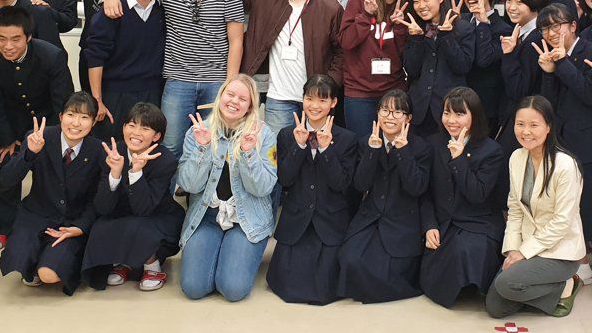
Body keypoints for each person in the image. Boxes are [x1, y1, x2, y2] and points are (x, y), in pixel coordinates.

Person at [102, 0, 245, 159]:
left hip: (215, 81)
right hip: (178, 80)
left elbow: (236, 41)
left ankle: (201, 196)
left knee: (212, 146)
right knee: (170, 146)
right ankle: (165, 195)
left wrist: (230, 83)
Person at [0, 6, 74, 252]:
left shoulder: (52, 56)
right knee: (7, 161)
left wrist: (52, 139)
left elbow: (62, 103)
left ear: (28, 37)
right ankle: (4, 225)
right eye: (1, 39)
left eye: (15, 39)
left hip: (46, 119)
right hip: (9, 118)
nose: (8, 46)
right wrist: (7, 139)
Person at [213, 0, 344, 132]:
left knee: (313, 153)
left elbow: (341, 52)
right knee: (276, 154)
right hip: (278, 98)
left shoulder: (329, 8)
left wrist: (328, 86)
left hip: (315, 99)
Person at [534, 3, 592, 282]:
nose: (551, 32)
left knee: (589, 208)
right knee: (570, 206)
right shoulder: (552, 55)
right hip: (564, 144)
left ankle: (586, 260)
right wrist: (548, 71)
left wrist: (561, 64)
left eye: (556, 25)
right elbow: (549, 105)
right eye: (545, 27)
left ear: (573, 26)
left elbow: (590, 96)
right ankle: (581, 259)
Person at [177, 75, 277, 302]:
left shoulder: (263, 134)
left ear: (250, 105)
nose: (234, 102)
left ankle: (231, 253)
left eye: (243, 98)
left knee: (233, 290)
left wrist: (249, 152)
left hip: (247, 220)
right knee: (193, 288)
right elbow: (189, 185)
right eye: (230, 94)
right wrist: (202, 148)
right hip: (207, 217)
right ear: (220, 96)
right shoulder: (198, 131)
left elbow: (263, 189)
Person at [484, 96, 584, 319]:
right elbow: (515, 209)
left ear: (548, 127)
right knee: (495, 307)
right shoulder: (516, 157)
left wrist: (524, 252)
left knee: (508, 285)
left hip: (560, 251)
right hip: (527, 246)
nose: (526, 132)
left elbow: (562, 222)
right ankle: (550, 291)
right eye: (520, 124)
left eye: (534, 125)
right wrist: (512, 249)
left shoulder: (565, 165)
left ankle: (567, 283)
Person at [0, 93, 103, 294]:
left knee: (48, 274)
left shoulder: (98, 150)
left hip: (70, 223)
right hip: (36, 216)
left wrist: (80, 228)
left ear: (93, 122)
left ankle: (61, 259)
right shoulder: (40, 137)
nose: (76, 123)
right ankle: (38, 255)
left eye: (85, 117)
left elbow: (96, 199)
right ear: (61, 115)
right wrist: (30, 153)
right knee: (20, 260)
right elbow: (6, 181)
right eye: (71, 114)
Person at [267, 76, 359, 305]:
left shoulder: (347, 139)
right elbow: (285, 180)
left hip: (330, 219)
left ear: (334, 103)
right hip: (297, 218)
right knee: (286, 284)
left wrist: (327, 149)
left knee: (325, 287)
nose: (314, 106)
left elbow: (342, 184)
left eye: (322, 99)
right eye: (309, 98)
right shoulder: (287, 135)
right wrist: (299, 147)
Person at [338, 89, 432, 303]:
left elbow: (417, 188)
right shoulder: (366, 142)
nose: (390, 117)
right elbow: (360, 185)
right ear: (377, 113)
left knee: (386, 270)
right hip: (371, 217)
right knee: (350, 260)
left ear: (408, 118)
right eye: (385, 111)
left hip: (403, 221)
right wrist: (372, 152)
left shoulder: (421, 147)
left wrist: (403, 151)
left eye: (398, 112)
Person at [83, 102, 185, 292]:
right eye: (131, 125)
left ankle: (152, 265)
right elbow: (102, 207)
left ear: (156, 136)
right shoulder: (113, 152)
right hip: (121, 212)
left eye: (145, 128)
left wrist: (136, 172)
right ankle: (123, 262)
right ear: (123, 128)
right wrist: (114, 174)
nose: (136, 132)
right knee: (100, 226)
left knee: (138, 225)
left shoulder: (166, 160)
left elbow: (143, 209)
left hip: (156, 216)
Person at [420, 87, 507, 308]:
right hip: (444, 221)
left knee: (465, 251)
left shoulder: (491, 150)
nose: (451, 120)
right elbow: (425, 192)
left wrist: (459, 160)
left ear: (474, 116)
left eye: (459, 114)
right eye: (447, 113)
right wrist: (429, 225)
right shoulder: (433, 143)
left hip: (477, 221)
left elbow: (477, 195)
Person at [83, 0, 168, 141]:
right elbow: (95, 56)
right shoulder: (113, 8)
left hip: (152, 92)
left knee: (146, 148)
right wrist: (98, 100)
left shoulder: (162, 7)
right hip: (115, 94)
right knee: (114, 148)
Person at [339, 0, 411, 139]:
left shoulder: (407, 6)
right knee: (363, 148)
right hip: (359, 93)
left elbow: (408, 56)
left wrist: (401, 27)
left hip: (393, 91)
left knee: (393, 148)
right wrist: (365, 14)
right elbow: (346, 41)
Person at [401, 0, 475, 138]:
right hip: (419, 109)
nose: (421, 6)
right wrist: (416, 38)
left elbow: (462, 66)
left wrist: (446, 36)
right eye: (416, 1)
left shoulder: (463, 28)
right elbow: (411, 70)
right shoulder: (413, 28)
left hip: (450, 111)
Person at [497, 0, 549, 148]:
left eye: (519, 3)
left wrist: (509, 55)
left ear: (535, 4)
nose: (511, 7)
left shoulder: (536, 38)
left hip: (529, 118)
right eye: (509, 0)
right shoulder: (521, 32)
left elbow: (519, 89)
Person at [460, 0, 514, 131]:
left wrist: (483, 23)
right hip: (459, 103)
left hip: (486, 107)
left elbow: (484, 60)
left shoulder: (504, 29)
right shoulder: (460, 20)